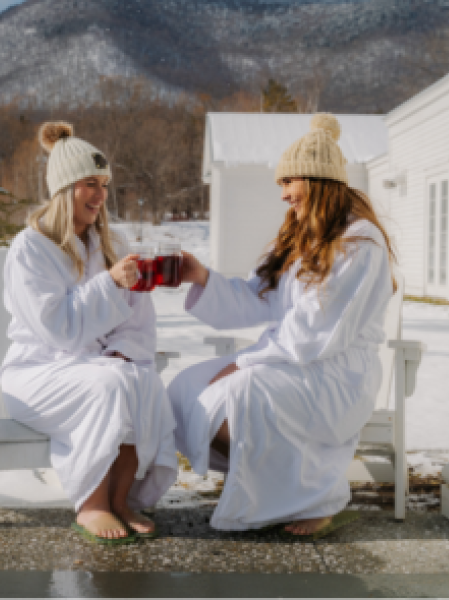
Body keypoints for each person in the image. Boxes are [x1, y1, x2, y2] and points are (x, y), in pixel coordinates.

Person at [167, 113, 397, 536]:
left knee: (241, 391)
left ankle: (313, 497)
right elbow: (258, 299)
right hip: (291, 360)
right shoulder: (296, 239)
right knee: (186, 386)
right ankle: (275, 485)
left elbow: (316, 329)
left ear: (318, 180)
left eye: (289, 182)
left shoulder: (360, 242)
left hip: (335, 373)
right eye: (281, 185)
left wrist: (245, 363)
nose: (284, 195)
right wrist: (200, 277)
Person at [0, 122, 178, 544]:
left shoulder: (109, 242)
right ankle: (91, 502)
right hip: (38, 373)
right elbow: (57, 329)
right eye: (89, 184)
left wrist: (121, 352)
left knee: (142, 380)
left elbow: (137, 321)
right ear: (64, 189)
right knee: (110, 384)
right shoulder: (31, 247)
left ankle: (120, 499)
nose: (100, 195)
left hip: (96, 366)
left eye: (104, 185)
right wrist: (111, 284)